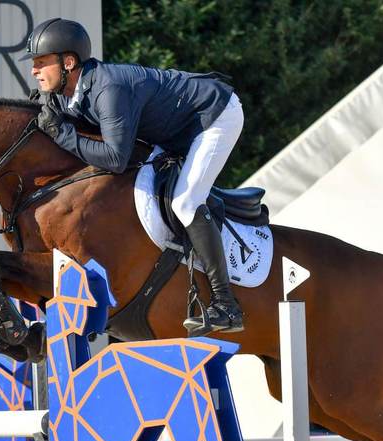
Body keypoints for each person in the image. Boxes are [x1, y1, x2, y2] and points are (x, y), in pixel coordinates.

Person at [19, 18, 244, 333]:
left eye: (41, 62)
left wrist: (62, 134)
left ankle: (226, 306)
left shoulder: (109, 89)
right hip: (172, 129)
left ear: (68, 63)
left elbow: (115, 159)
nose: (34, 70)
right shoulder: (68, 91)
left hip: (213, 116)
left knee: (185, 203)